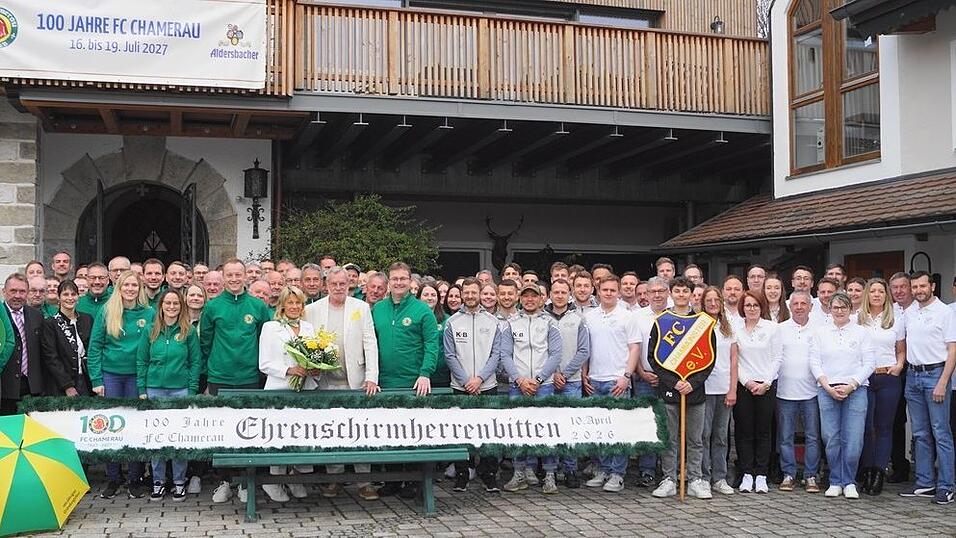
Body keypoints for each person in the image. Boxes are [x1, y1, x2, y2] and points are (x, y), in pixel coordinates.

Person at [304, 267, 381, 501]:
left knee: (361, 431)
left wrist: (372, 376)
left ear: (350, 285)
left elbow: (370, 342)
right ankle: (334, 479)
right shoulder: (312, 310)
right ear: (326, 285)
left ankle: (364, 482)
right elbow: (307, 342)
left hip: (355, 379)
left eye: (343, 284)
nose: (339, 288)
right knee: (331, 432)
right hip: (325, 381)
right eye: (334, 284)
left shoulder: (361, 307)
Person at [200, 259, 273, 503]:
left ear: (245, 277)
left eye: (238, 275)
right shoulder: (212, 307)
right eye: (229, 275)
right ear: (223, 277)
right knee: (222, 432)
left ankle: (245, 481)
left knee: (248, 430)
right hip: (220, 377)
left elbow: (266, 340)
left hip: (249, 377)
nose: (233, 279)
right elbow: (206, 342)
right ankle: (224, 481)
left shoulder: (257, 306)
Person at [372, 262, 440, 499]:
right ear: (388, 281)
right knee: (389, 433)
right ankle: (392, 480)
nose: (398, 282)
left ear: (411, 281)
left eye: (403, 278)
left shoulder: (422, 311)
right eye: (394, 278)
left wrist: (425, 373)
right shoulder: (378, 309)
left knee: (413, 433)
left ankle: (414, 481)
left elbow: (432, 345)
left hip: (414, 383)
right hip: (384, 382)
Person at [87, 270, 154, 499]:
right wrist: (96, 380)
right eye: (126, 285)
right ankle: (114, 477)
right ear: (119, 287)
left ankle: (135, 478)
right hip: (111, 376)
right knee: (111, 428)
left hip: (137, 376)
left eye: (134, 285)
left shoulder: (149, 312)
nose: (130, 289)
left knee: (136, 427)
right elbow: (95, 347)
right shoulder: (107, 311)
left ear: (140, 288)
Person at [650, 277, 716, 500]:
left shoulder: (703, 322)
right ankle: (669, 478)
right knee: (670, 438)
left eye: (685, 291)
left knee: (696, 439)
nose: (681, 295)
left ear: (691, 294)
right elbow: (654, 358)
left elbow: (709, 358)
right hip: (670, 391)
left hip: (694, 392)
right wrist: (673, 382)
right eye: (677, 291)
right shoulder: (662, 321)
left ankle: (695, 479)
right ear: (671, 293)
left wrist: (692, 383)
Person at [443, 277, 509, 493]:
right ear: (462, 294)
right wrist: (466, 380)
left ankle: (488, 475)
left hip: (486, 385)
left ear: (480, 293)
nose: (470, 296)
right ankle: (462, 474)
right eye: (467, 292)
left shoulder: (493, 322)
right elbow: (450, 355)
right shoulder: (452, 322)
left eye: (474, 292)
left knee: (488, 431)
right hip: (460, 386)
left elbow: (496, 354)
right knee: (461, 431)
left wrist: (479, 378)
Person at [137, 289, 201, 502]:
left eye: (175, 303)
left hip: (180, 389)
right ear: (161, 306)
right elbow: (142, 361)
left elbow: (195, 363)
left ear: (181, 306)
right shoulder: (150, 331)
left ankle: (179, 482)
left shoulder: (188, 332)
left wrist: (191, 391)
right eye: (168, 303)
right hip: (154, 388)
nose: (172, 307)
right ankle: (158, 481)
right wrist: (141, 390)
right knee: (157, 437)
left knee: (177, 437)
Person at [810, 292, 874, 499]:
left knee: (853, 439)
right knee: (830, 437)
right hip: (827, 389)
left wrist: (852, 384)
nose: (839, 311)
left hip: (856, 389)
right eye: (835, 307)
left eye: (843, 307)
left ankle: (849, 481)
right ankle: (835, 480)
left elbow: (869, 363)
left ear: (850, 309)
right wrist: (827, 385)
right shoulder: (820, 333)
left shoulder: (861, 332)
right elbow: (814, 361)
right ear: (829, 309)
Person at [900, 271, 956, 504]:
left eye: (923, 286)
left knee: (940, 433)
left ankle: (947, 486)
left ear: (932, 286)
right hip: (913, 376)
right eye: (915, 287)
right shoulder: (909, 312)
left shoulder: (945, 312)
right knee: (920, 433)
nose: (918, 290)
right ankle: (925, 483)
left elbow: (953, 350)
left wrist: (943, 381)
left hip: (936, 375)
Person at [501, 284, 563, 495]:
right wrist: (519, 380)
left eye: (533, 296)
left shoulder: (550, 323)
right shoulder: (510, 323)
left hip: (543, 386)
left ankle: (549, 475)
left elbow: (555, 355)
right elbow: (505, 355)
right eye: (525, 296)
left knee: (547, 432)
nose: (529, 300)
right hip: (518, 386)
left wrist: (538, 379)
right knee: (518, 431)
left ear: (540, 299)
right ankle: (519, 474)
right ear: (520, 298)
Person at [258, 286, 317, 503]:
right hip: (279, 389)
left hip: (305, 390)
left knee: (299, 434)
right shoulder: (271, 327)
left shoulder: (309, 328)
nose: (294, 307)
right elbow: (264, 363)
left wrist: (314, 369)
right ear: (281, 305)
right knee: (279, 435)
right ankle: (273, 480)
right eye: (290, 303)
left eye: (298, 303)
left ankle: (294, 477)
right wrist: (289, 370)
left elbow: (315, 355)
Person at [583, 274, 640, 493]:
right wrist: (585, 374)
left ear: (618, 292)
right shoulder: (590, 316)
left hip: (618, 380)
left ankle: (618, 473)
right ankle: (604, 469)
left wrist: (626, 376)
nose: (608, 293)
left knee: (619, 431)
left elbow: (634, 347)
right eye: (604, 290)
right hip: (595, 380)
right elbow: (585, 348)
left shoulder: (627, 316)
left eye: (612, 290)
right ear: (598, 291)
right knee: (599, 431)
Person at [858, 278, 905, 496]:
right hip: (866, 379)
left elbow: (901, 350)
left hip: (888, 378)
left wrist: (899, 366)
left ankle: (878, 473)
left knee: (884, 428)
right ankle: (866, 471)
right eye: (873, 291)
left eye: (881, 291)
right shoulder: (857, 319)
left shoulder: (895, 319)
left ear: (887, 295)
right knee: (867, 428)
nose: (877, 295)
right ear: (867, 294)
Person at [734, 290, 782, 493]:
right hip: (744, 385)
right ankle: (746, 473)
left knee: (763, 431)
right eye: (747, 305)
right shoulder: (736, 329)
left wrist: (766, 383)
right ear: (742, 308)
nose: (751, 309)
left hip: (767, 385)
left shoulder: (772, 328)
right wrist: (747, 382)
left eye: (755, 305)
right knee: (744, 431)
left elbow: (776, 358)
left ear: (761, 307)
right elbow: (734, 361)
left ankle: (761, 474)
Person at [544, 277, 589, 488]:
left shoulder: (579, 319)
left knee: (571, 429)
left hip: (571, 382)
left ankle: (571, 469)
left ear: (569, 294)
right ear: (550, 294)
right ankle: (550, 471)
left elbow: (584, 350)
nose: (559, 296)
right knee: (550, 428)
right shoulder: (541, 318)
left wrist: (566, 373)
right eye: (556, 292)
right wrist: (553, 373)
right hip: (547, 381)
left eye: (563, 292)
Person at [775, 291, 821, 494]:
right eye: (796, 304)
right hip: (785, 392)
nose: (800, 307)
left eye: (804, 303)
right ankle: (789, 474)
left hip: (812, 392)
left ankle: (810, 475)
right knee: (785, 436)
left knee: (813, 436)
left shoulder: (820, 330)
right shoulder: (780, 329)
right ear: (790, 306)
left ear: (811, 307)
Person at [700, 286, 738, 496]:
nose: (713, 304)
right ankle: (704, 477)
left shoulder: (728, 327)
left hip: (723, 388)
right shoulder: (698, 325)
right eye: (709, 301)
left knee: (721, 436)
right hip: (704, 388)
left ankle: (720, 478)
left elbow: (733, 360)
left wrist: (732, 389)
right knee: (703, 435)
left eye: (716, 300)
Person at [40, 280, 93, 397]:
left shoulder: (87, 319)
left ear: (78, 297)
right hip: (62, 384)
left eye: (73, 294)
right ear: (59, 297)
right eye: (65, 294)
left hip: (86, 380)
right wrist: (67, 385)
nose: (70, 298)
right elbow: (51, 358)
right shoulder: (50, 324)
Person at [1, 274, 43, 415]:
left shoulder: (36, 315)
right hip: (5, 388)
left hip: (32, 388)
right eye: (13, 291)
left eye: (22, 291)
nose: (18, 296)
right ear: (4, 291)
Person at [888, 271, 914, 483]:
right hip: (895, 370)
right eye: (894, 287)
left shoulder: (918, 310)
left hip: (916, 369)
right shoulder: (890, 311)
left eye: (902, 286)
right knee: (895, 420)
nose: (898, 291)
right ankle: (899, 466)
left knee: (922, 422)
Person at [419, 281, 451, 389]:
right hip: (418, 373)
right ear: (419, 297)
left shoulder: (447, 320)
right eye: (425, 295)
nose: (429, 298)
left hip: (442, 375)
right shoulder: (413, 318)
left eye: (433, 295)